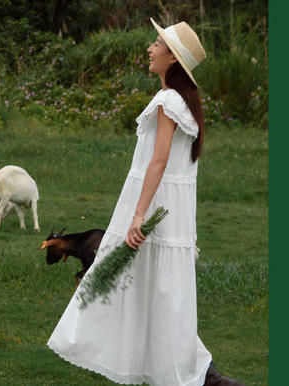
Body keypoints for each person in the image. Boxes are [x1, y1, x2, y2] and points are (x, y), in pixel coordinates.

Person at [47, 18, 243, 386]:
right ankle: (200, 371)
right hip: (170, 210)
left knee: (143, 287)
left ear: (173, 59)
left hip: (153, 208)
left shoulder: (169, 101)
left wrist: (138, 215)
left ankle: (197, 372)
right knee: (157, 288)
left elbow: (159, 160)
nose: (149, 49)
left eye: (157, 43)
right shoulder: (186, 103)